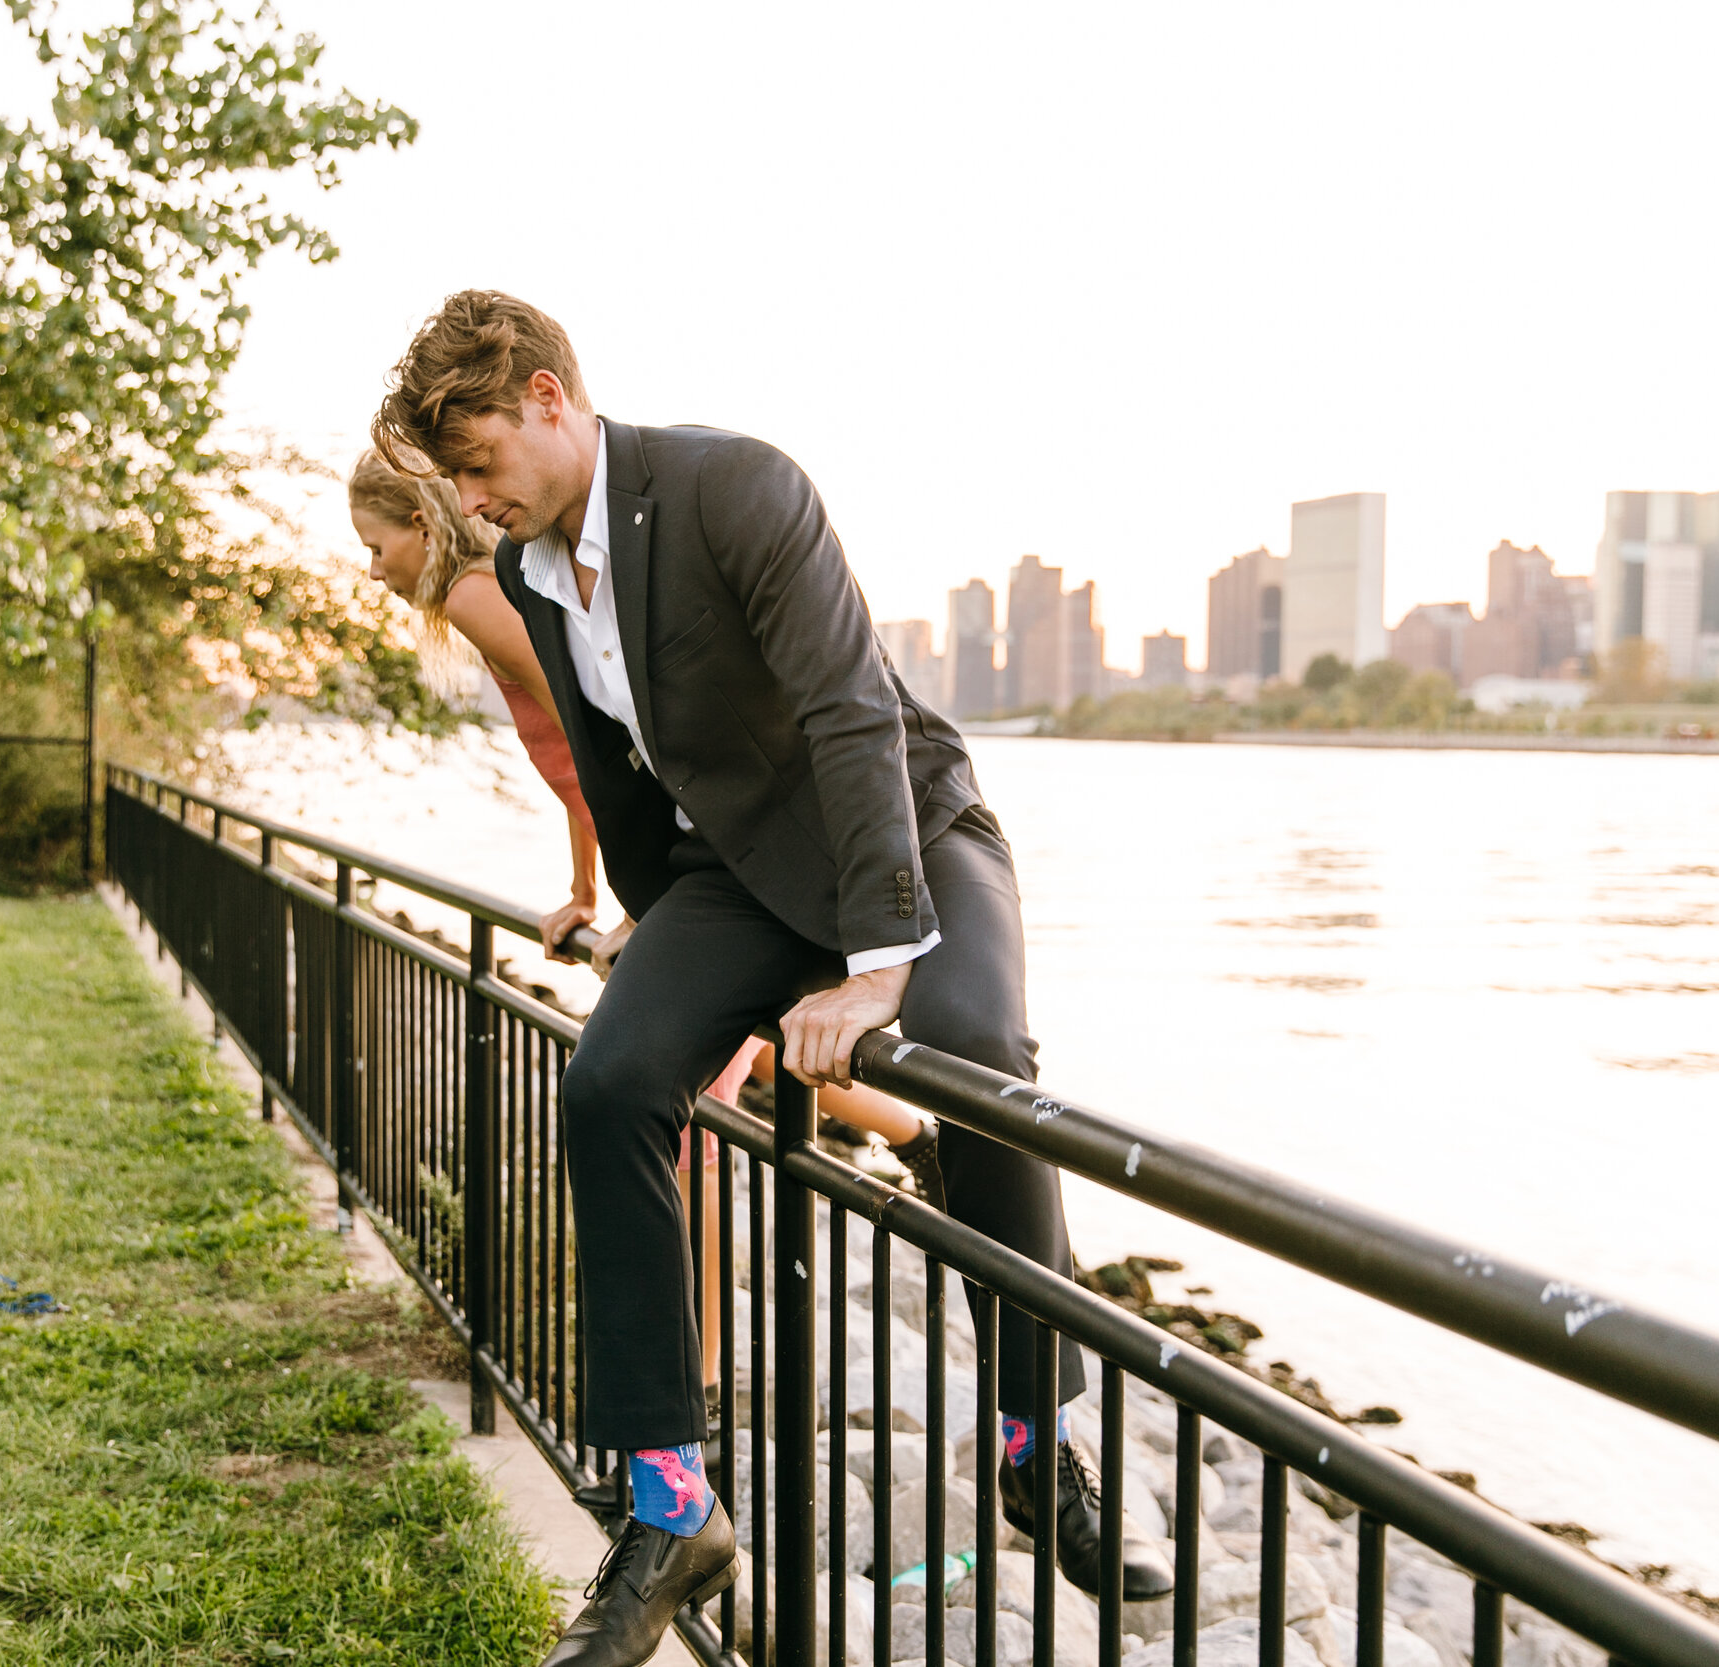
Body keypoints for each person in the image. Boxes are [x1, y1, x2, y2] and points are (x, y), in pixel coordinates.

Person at [372, 292, 1170, 1667]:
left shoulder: (735, 486)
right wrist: (653, 939)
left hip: (906, 824)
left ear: (552, 398)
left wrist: (874, 968)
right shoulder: (528, 575)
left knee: (978, 1063)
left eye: (481, 459)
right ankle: (673, 1505)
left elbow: (848, 709)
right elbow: (621, 773)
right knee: (613, 1080)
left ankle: (1040, 1441)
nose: (471, 497)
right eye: (451, 481)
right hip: (735, 870)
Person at [346, 453, 948, 1481]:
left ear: (418, 518)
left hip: (690, 870)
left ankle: (696, 1389)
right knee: (743, 1064)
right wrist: (586, 893)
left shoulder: (475, 589)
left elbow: (599, 741)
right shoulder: (503, 582)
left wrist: (635, 906)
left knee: (687, 1123)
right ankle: (919, 1138)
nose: (371, 569)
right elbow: (577, 762)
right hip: (675, 872)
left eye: (376, 545)